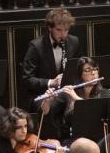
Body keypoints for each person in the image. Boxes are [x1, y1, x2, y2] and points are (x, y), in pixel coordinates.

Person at [21, 8, 80, 138]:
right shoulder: (36, 46)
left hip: (65, 90)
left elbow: (76, 68)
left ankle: (75, 137)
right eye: (59, 30)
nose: (63, 34)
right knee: (52, 106)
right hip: (41, 94)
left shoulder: (73, 42)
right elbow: (27, 79)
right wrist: (51, 82)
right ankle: (52, 140)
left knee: (81, 101)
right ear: (50, 28)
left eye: (66, 30)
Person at [41, 56, 110, 137]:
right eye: (88, 70)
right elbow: (45, 112)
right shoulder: (69, 92)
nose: (93, 73)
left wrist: (76, 98)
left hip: (97, 137)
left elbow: (95, 114)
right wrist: (46, 101)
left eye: (95, 69)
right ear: (80, 74)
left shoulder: (105, 93)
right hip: (72, 138)